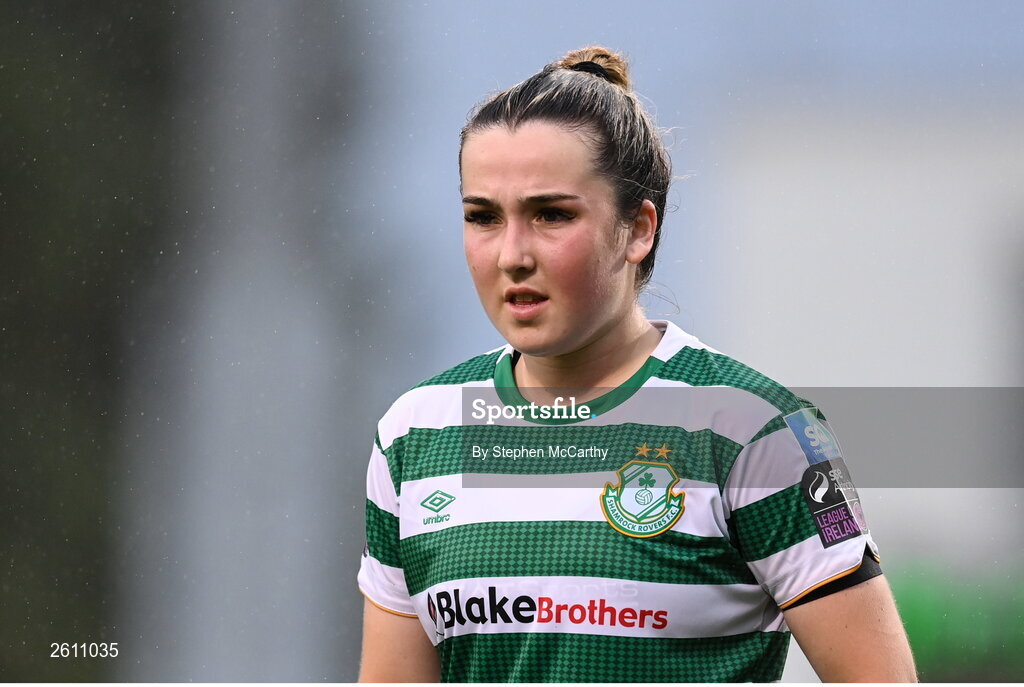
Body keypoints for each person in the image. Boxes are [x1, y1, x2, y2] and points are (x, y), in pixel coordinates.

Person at [357, 46, 917, 682]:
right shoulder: (415, 432)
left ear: (637, 230)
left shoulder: (757, 428)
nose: (512, 254)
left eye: (551, 215)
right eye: (483, 217)